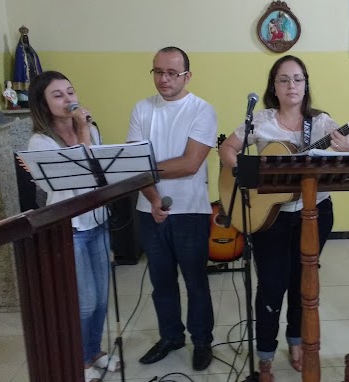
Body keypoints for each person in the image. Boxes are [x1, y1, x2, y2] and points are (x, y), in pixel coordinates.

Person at [218, 55, 349, 379]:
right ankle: (266, 351)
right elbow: (228, 148)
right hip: (268, 216)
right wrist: (242, 169)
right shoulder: (261, 119)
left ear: (306, 84)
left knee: (303, 283)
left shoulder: (322, 122)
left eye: (298, 79)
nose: (291, 85)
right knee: (270, 284)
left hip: (315, 213)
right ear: (274, 86)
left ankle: (297, 342)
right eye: (284, 79)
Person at [126, 46, 216, 370]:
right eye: (158, 72)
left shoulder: (201, 110)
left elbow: (191, 163)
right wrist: (151, 198)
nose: (164, 79)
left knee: (195, 281)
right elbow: (134, 163)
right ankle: (171, 336)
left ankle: (202, 340)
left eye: (171, 73)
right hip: (148, 209)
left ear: (186, 76)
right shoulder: (141, 109)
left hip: (191, 210)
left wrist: (145, 172)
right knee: (161, 281)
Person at [26, 71, 120, 382]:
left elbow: (98, 172)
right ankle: (79, 360)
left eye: (70, 92)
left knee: (103, 298)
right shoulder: (39, 142)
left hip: (97, 220)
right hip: (69, 229)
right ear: (43, 104)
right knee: (85, 301)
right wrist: (83, 131)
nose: (68, 99)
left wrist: (87, 131)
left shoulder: (90, 129)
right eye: (58, 95)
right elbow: (77, 174)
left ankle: (94, 352)